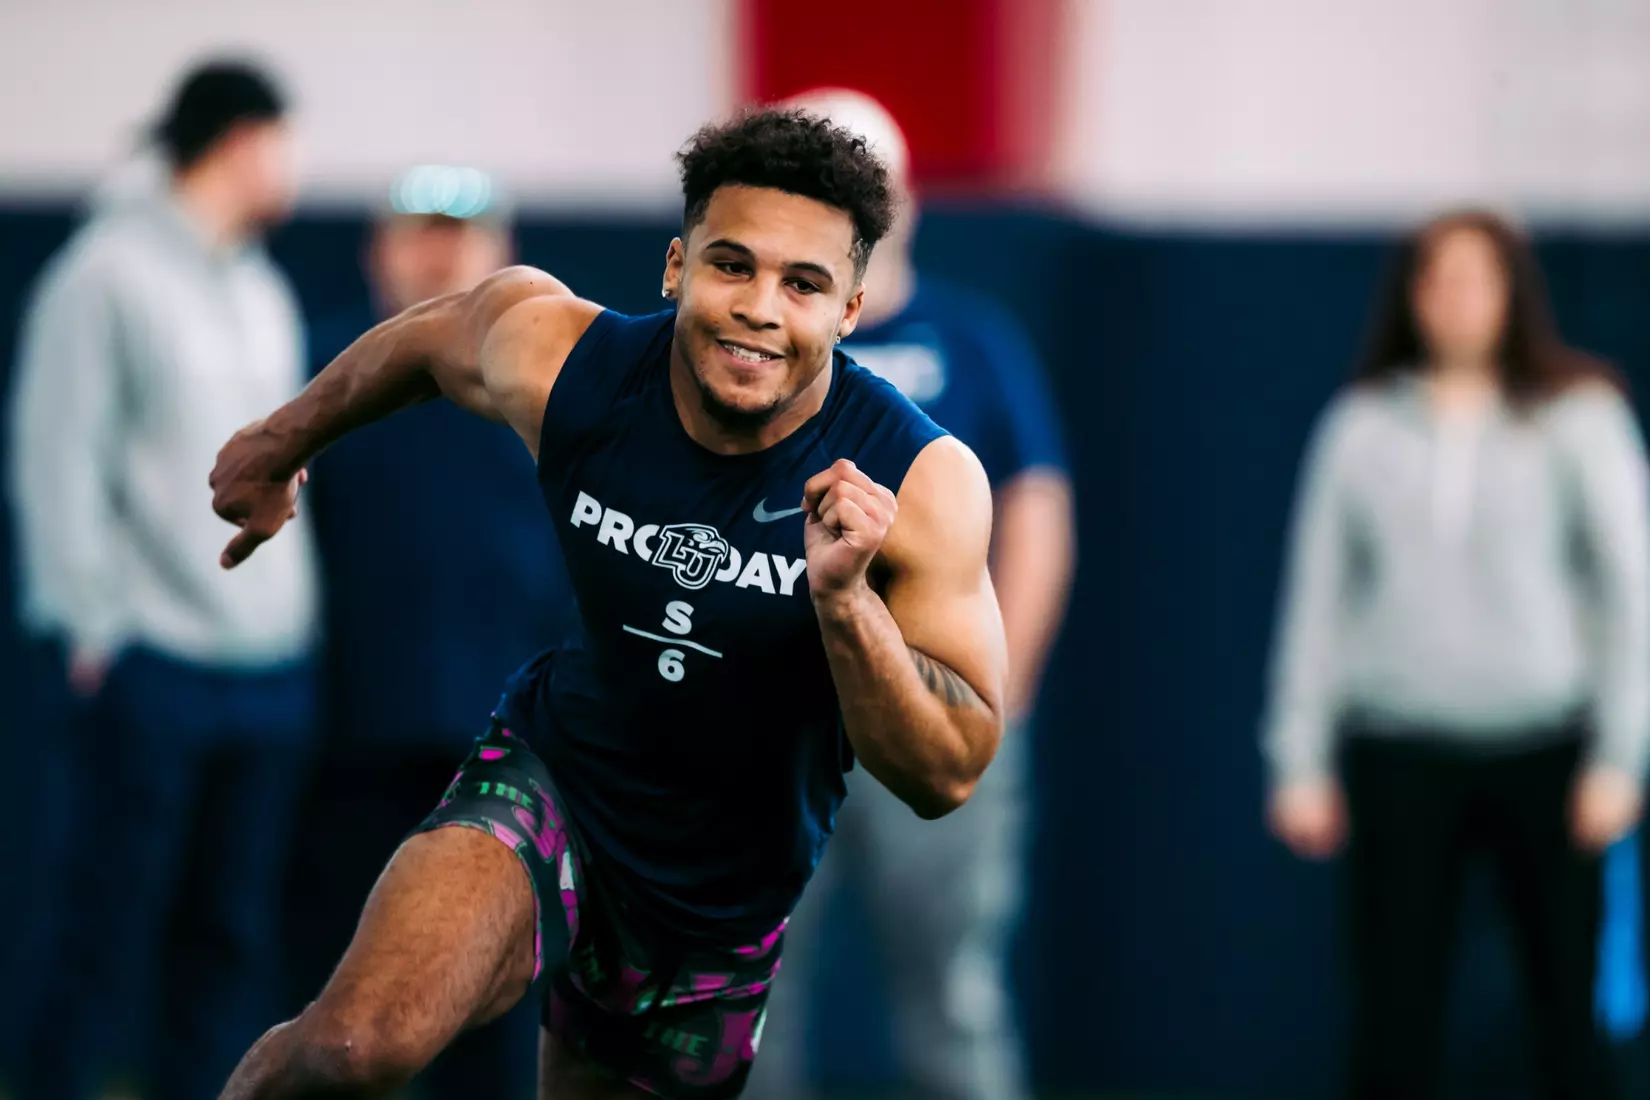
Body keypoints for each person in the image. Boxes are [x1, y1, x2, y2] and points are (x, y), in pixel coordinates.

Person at [211, 107, 1008, 1100]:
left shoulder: (919, 480)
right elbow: (436, 335)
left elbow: (948, 769)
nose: (760, 308)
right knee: (353, 1047)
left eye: (802, 285)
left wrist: (845, 603)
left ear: (849, 310)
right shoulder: (574, 364)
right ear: (677, 267)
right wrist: (279, 442)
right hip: (554, 786)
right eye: (732, 265)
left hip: (721, 899)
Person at [1263, 208, 1650, 1100]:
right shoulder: (1361, 428)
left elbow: (1629, 593)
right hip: (1401, 750)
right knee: (1394, 1018)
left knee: (1568, 1020)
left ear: (1513, 293)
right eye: (1437, 279)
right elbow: (1318, 601)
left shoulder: (1581, 417)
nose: (1456, 300)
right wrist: (1298, 761)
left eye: (1477, 278)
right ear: (1412, 295)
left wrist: (1619, 760)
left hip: (1549, 750)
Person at [743, 89, 1074, 1100]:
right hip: (773, 716)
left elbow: (1038, 510)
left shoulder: (971, 342)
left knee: (952, 994)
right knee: (747, 991)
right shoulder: (751, 339)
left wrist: (994, 692)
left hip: (930, 701)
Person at [6, 60, 319, 1100]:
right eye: (283, 142)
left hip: (267, 674)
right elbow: (56, 462)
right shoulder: (102, 276)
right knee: (105, 927)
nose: (294, 167)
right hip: (153, 665)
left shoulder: (261, 287)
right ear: (239, 142)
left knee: (226, 940)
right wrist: (92, 630)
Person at [282, 168, 562, 1098]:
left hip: (507, 751)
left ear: (502, 251)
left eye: (461, 231)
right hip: (345, 744)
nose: (441, 253)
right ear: (379, 251)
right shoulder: (315, 379)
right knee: (334, 1007)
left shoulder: (550, 389)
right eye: (421, 231)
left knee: (490, 1005)